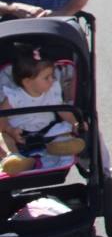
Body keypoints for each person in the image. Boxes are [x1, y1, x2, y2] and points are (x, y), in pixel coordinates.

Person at [0, 45, 86, 175]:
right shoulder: (14, 96)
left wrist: (75, 123)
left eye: (52, 76)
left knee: (63, 128)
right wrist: (10, 130)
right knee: (2, 137)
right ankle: (14, 157)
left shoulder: (51, 91)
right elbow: (1, 117)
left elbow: (63, 111)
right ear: (28, 82)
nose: (52, 80)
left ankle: (59, 146)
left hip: (47, 131)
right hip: (20, 135)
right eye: (47, 77)